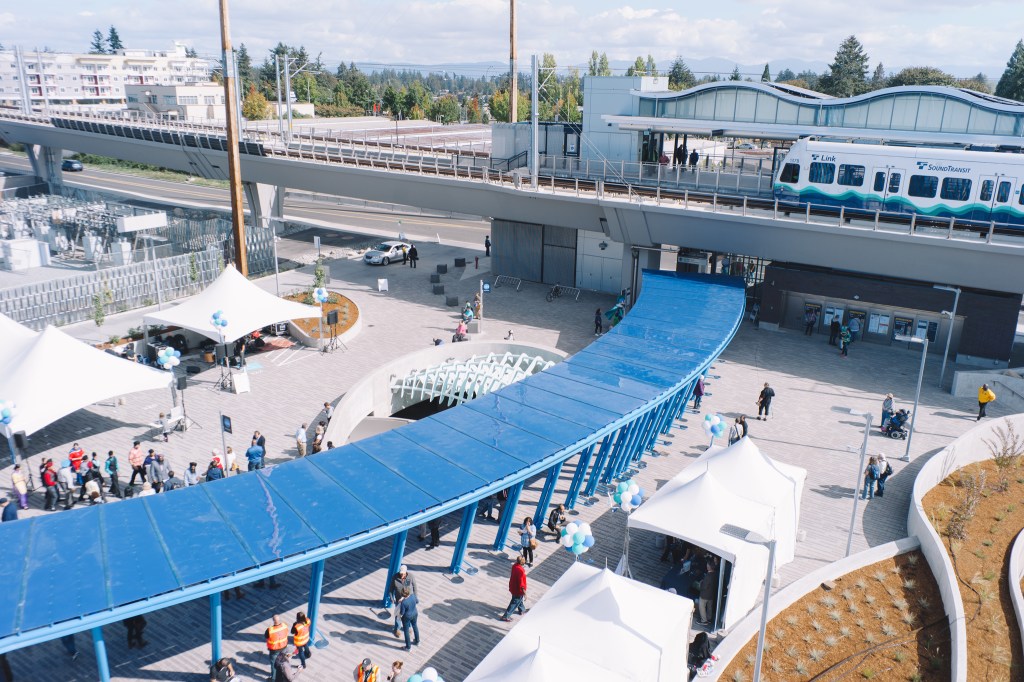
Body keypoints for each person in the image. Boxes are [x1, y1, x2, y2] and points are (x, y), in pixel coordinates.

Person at [390, 566, 418, 637]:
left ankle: (408, 627)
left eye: (404, 574)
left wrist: (415, 597)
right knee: (398, 616)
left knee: (408, 615)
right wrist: (391, 598)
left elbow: (415, 587)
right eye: (401, 574)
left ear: (406, 572)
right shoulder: (395, 577)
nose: (402, 576)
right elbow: (391, 589)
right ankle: (397, 629)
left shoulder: (410, 576)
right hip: (399, 601)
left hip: (408, 599)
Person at [500, 556, 528, 622]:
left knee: (519, 600)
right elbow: (521, 584)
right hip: (518, 590)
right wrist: (525, 593)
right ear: (523, 563)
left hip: (513, 587)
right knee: (514, 603)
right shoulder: (521, 571)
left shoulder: (514, 566)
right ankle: (506, 616)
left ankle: (522, 610)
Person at [265, 615, 289, 682]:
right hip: (284, 648)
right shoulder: (284, 626)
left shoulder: (270, 630)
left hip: (274, 650)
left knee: (274, 664)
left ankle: (274, 679)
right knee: (282, 662)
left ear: (273, 621)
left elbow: (266, 636)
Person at [698, 560, 717, 625]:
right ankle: (709, 619)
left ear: (709, 567)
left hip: (705, 595)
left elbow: (704, 587)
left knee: (701, 607)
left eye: (707, 565)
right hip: (711, 595)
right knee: (709, 608)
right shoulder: (715, 574)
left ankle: (704, 621)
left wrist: (700, 583)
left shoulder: (708, 576)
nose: (706, 566)